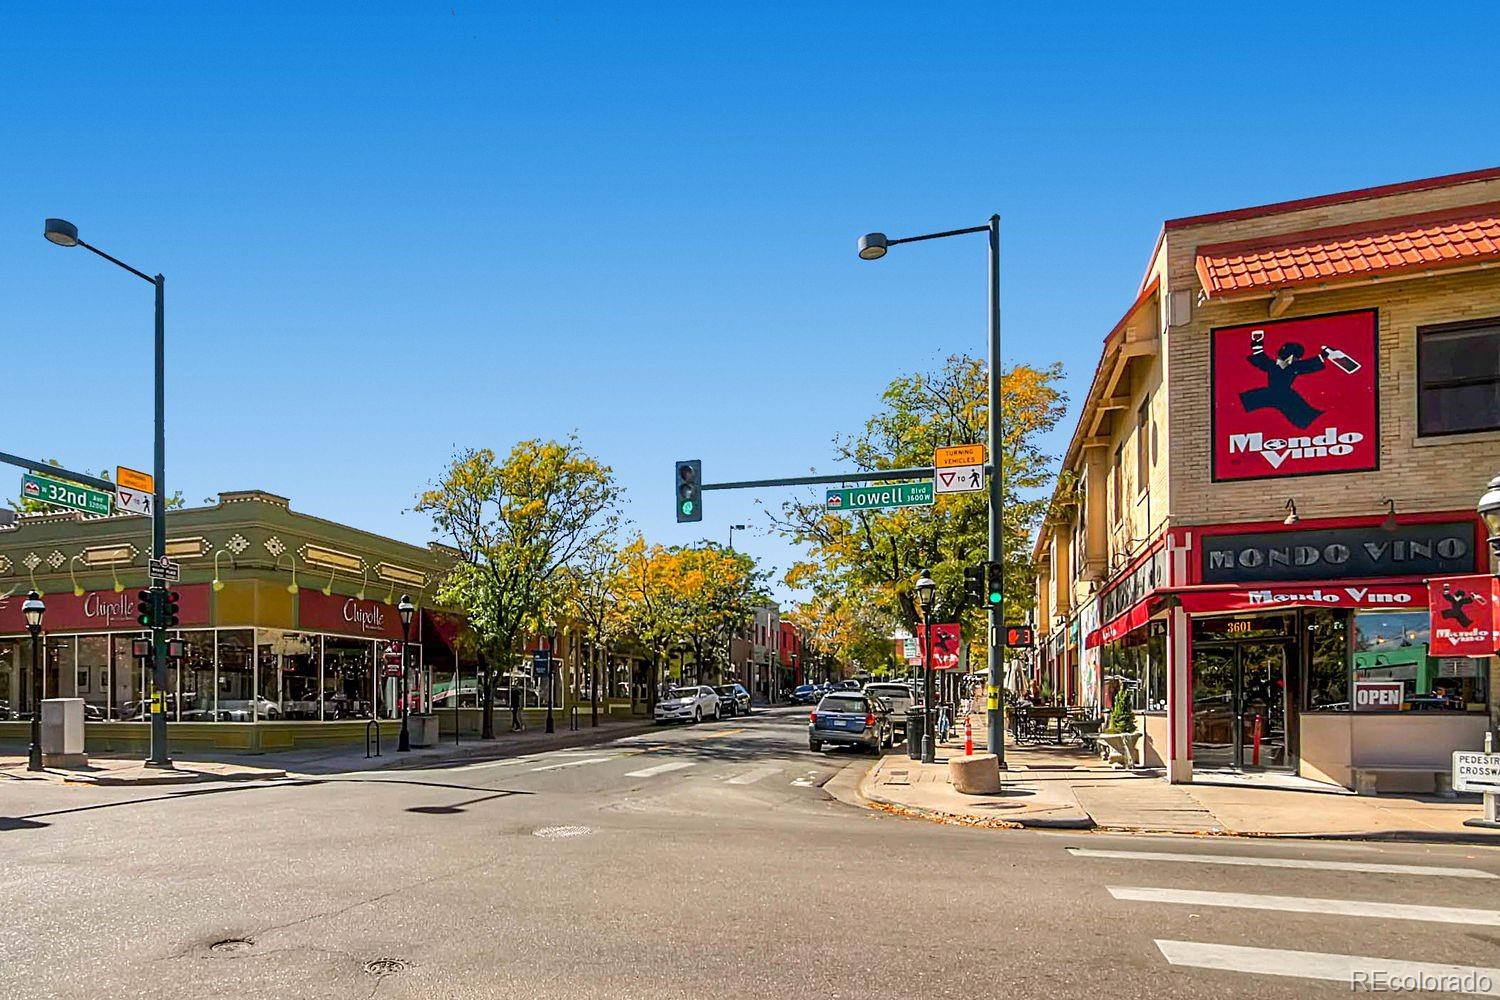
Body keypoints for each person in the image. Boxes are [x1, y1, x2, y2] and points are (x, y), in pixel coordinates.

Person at [1239, 331, 1330, 430]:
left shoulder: (1292, 367)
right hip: (1276, 393)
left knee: (1299, 411)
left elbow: (1308, 364)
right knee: (1247, 401)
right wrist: (1257, 343)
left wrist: (1323, 356)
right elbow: (1260, 357)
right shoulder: (1275, 365)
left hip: (1282, 394)